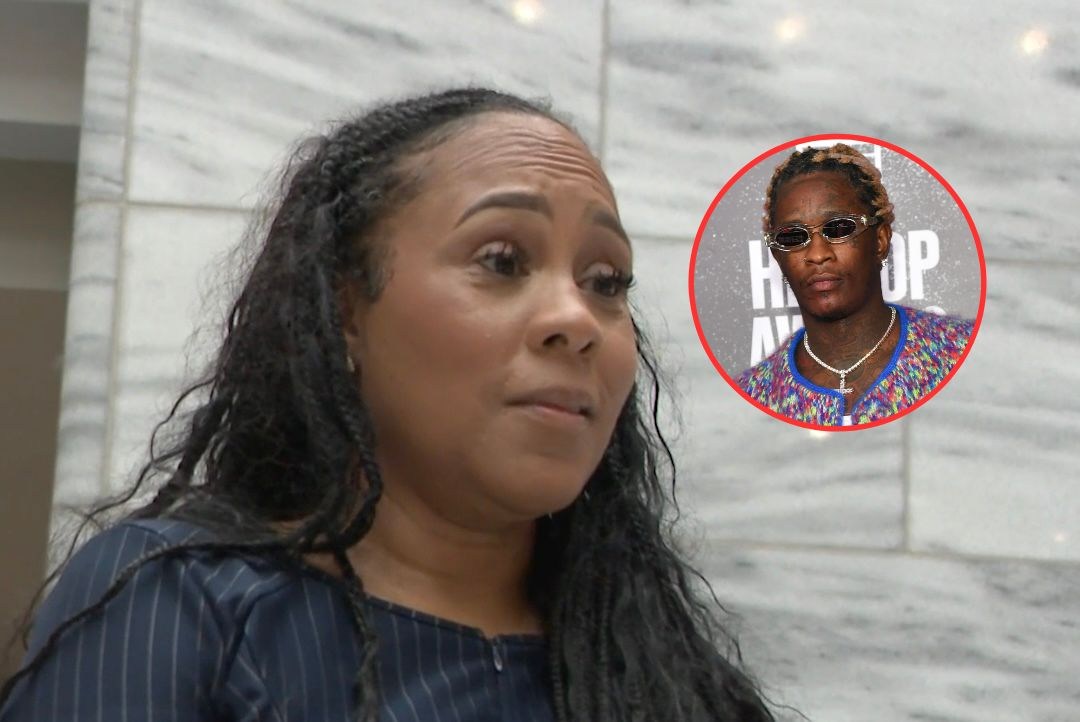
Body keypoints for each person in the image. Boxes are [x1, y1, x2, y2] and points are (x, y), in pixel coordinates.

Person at [0, 88, 774, 722]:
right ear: (345, 311)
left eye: (606, 282)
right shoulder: (188, 604)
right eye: (503, 260)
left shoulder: (663, 674)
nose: (576, 319)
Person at [737, 143, 974, 427]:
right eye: (793, 237)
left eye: (839, 228)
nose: (817, 254)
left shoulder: (958, 349)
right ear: (778, 255)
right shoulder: (754, 393)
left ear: (880, 240)